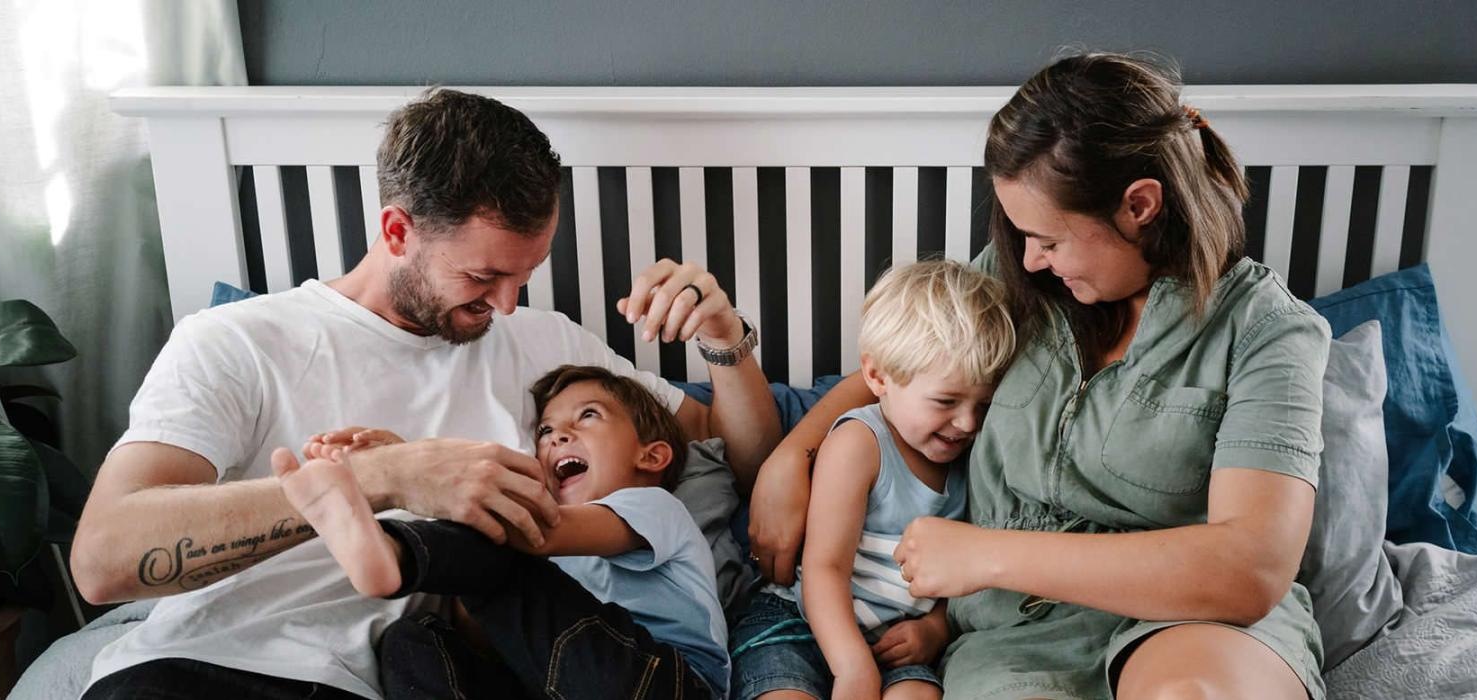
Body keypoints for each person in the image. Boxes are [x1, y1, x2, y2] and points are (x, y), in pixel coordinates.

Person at [71, 87, 780, 700]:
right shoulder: (238, 341)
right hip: (202, 666)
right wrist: (382, 478)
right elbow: (103, 559)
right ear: (396, 230)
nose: (506, 306)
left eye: (524, 277)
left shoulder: (549, 346)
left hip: (384, 678)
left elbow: (740, 456)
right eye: (482, 279)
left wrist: (724, 335)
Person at [745, 52, 1330, 700]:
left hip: (1192, 618)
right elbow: (902, 371)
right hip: (1014, 633)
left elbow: (1250, 570)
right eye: (1021, 236)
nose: (1028, 258)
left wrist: (983, 555)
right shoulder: (1020, 278)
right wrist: (793, 454)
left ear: (1139, 206)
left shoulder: (1267, 333)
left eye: (1049, 239)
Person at [279, 365, 731, 698]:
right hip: (559, 685)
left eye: (588, 415)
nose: (557, 436)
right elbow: (489, 628)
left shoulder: (655, 506)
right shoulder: (549, 572)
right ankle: (392, 553)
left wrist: (418, 473)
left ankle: (394, 552)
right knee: (416, 640)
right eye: (546, 430)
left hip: (665, 683)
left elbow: (539, 534)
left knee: (500, 549)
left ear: (651, 457)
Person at [730, 261, 1017, 700]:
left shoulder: (974, 456)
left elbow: (962, 572)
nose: (966, 422)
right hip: (802, 621)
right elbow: (825, 568)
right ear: (878, 377)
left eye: (984, 404)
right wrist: (852, 666)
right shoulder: (859, 443)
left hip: (897, 637)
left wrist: (935, 629)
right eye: (946, 400)